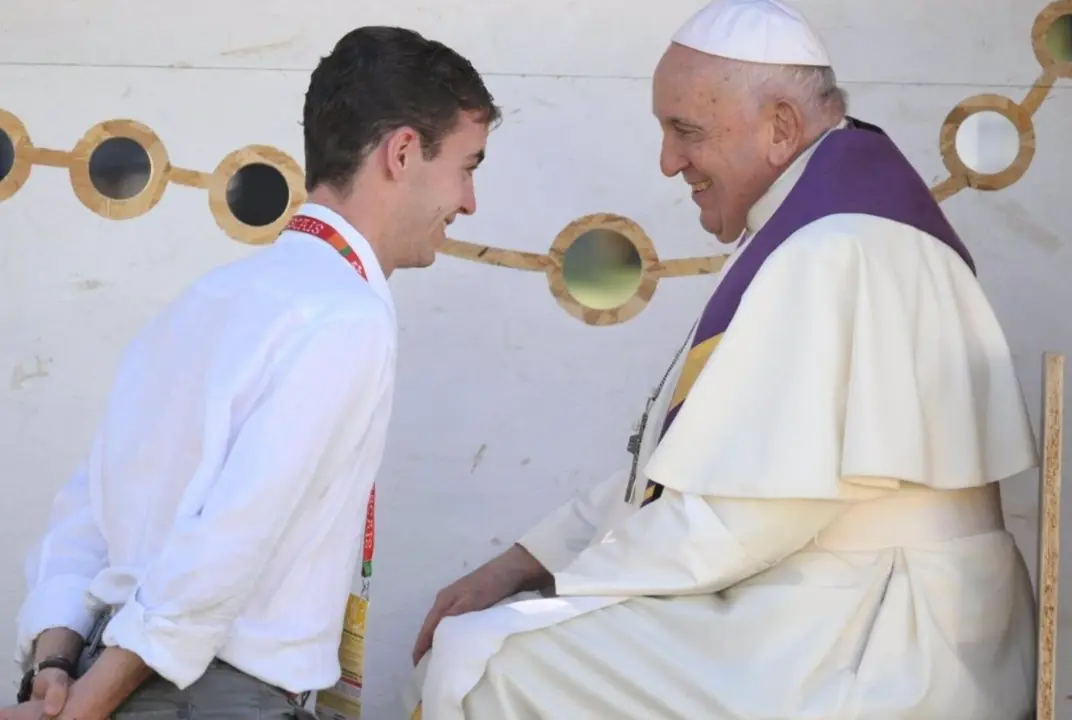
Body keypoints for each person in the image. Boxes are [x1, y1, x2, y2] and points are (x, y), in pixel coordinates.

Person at [405, 1, 1041, 718]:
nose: (668, 161)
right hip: (853, 609)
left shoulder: (839, 250)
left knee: (500, 662)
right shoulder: (828, 224)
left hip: (880, 642)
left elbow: (746, 515)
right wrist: (528, 560)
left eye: (686, 131)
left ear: (779, 127)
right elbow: (695, 465)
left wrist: (560, 591)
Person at [2, 26, 499, 720]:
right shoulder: (345, 316)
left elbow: (88, 514)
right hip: (207, 699)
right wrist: (86, 704)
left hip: (104, 675)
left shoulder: (201, 301)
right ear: (404, 152)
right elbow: (228, 543)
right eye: (468, 165)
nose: (470, 202)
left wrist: (54, 667)